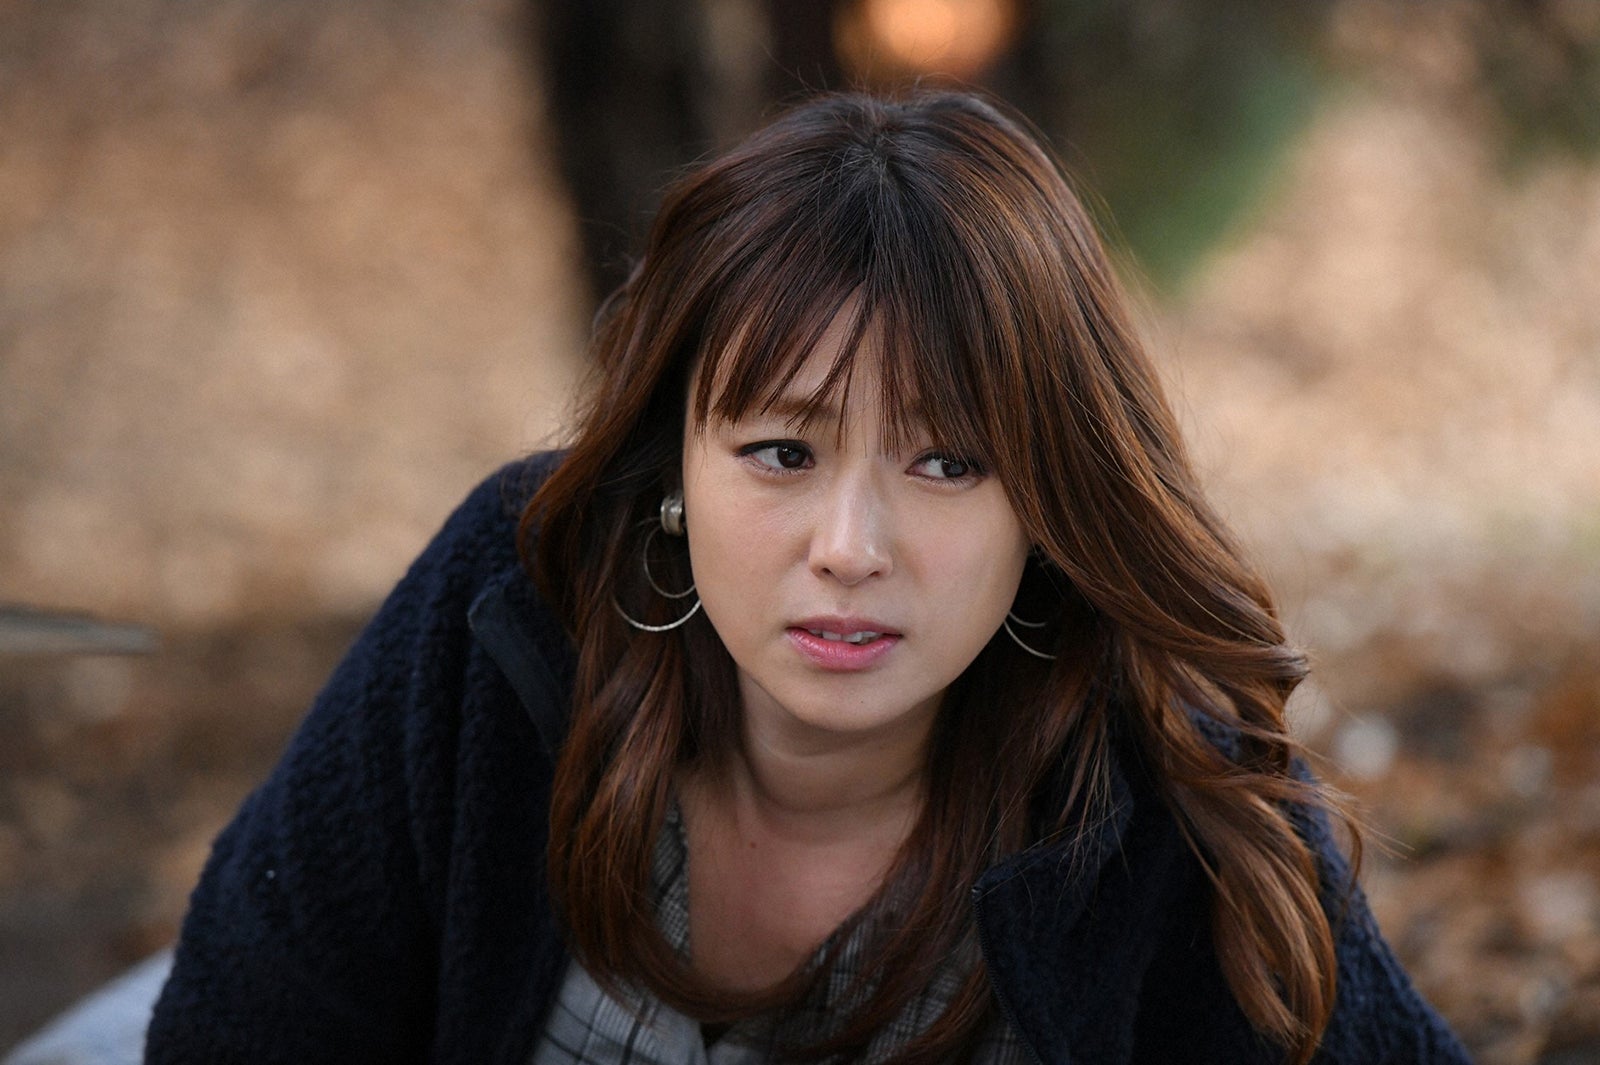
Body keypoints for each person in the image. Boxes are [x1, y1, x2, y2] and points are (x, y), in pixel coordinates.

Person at [143, 90, 1469, 1064]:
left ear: (1047, 506)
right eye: (782, 451)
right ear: (673, 464)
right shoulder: (510, 606)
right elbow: (237, 1026)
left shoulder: (1165, 795)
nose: (850, 545)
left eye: (948, 464)